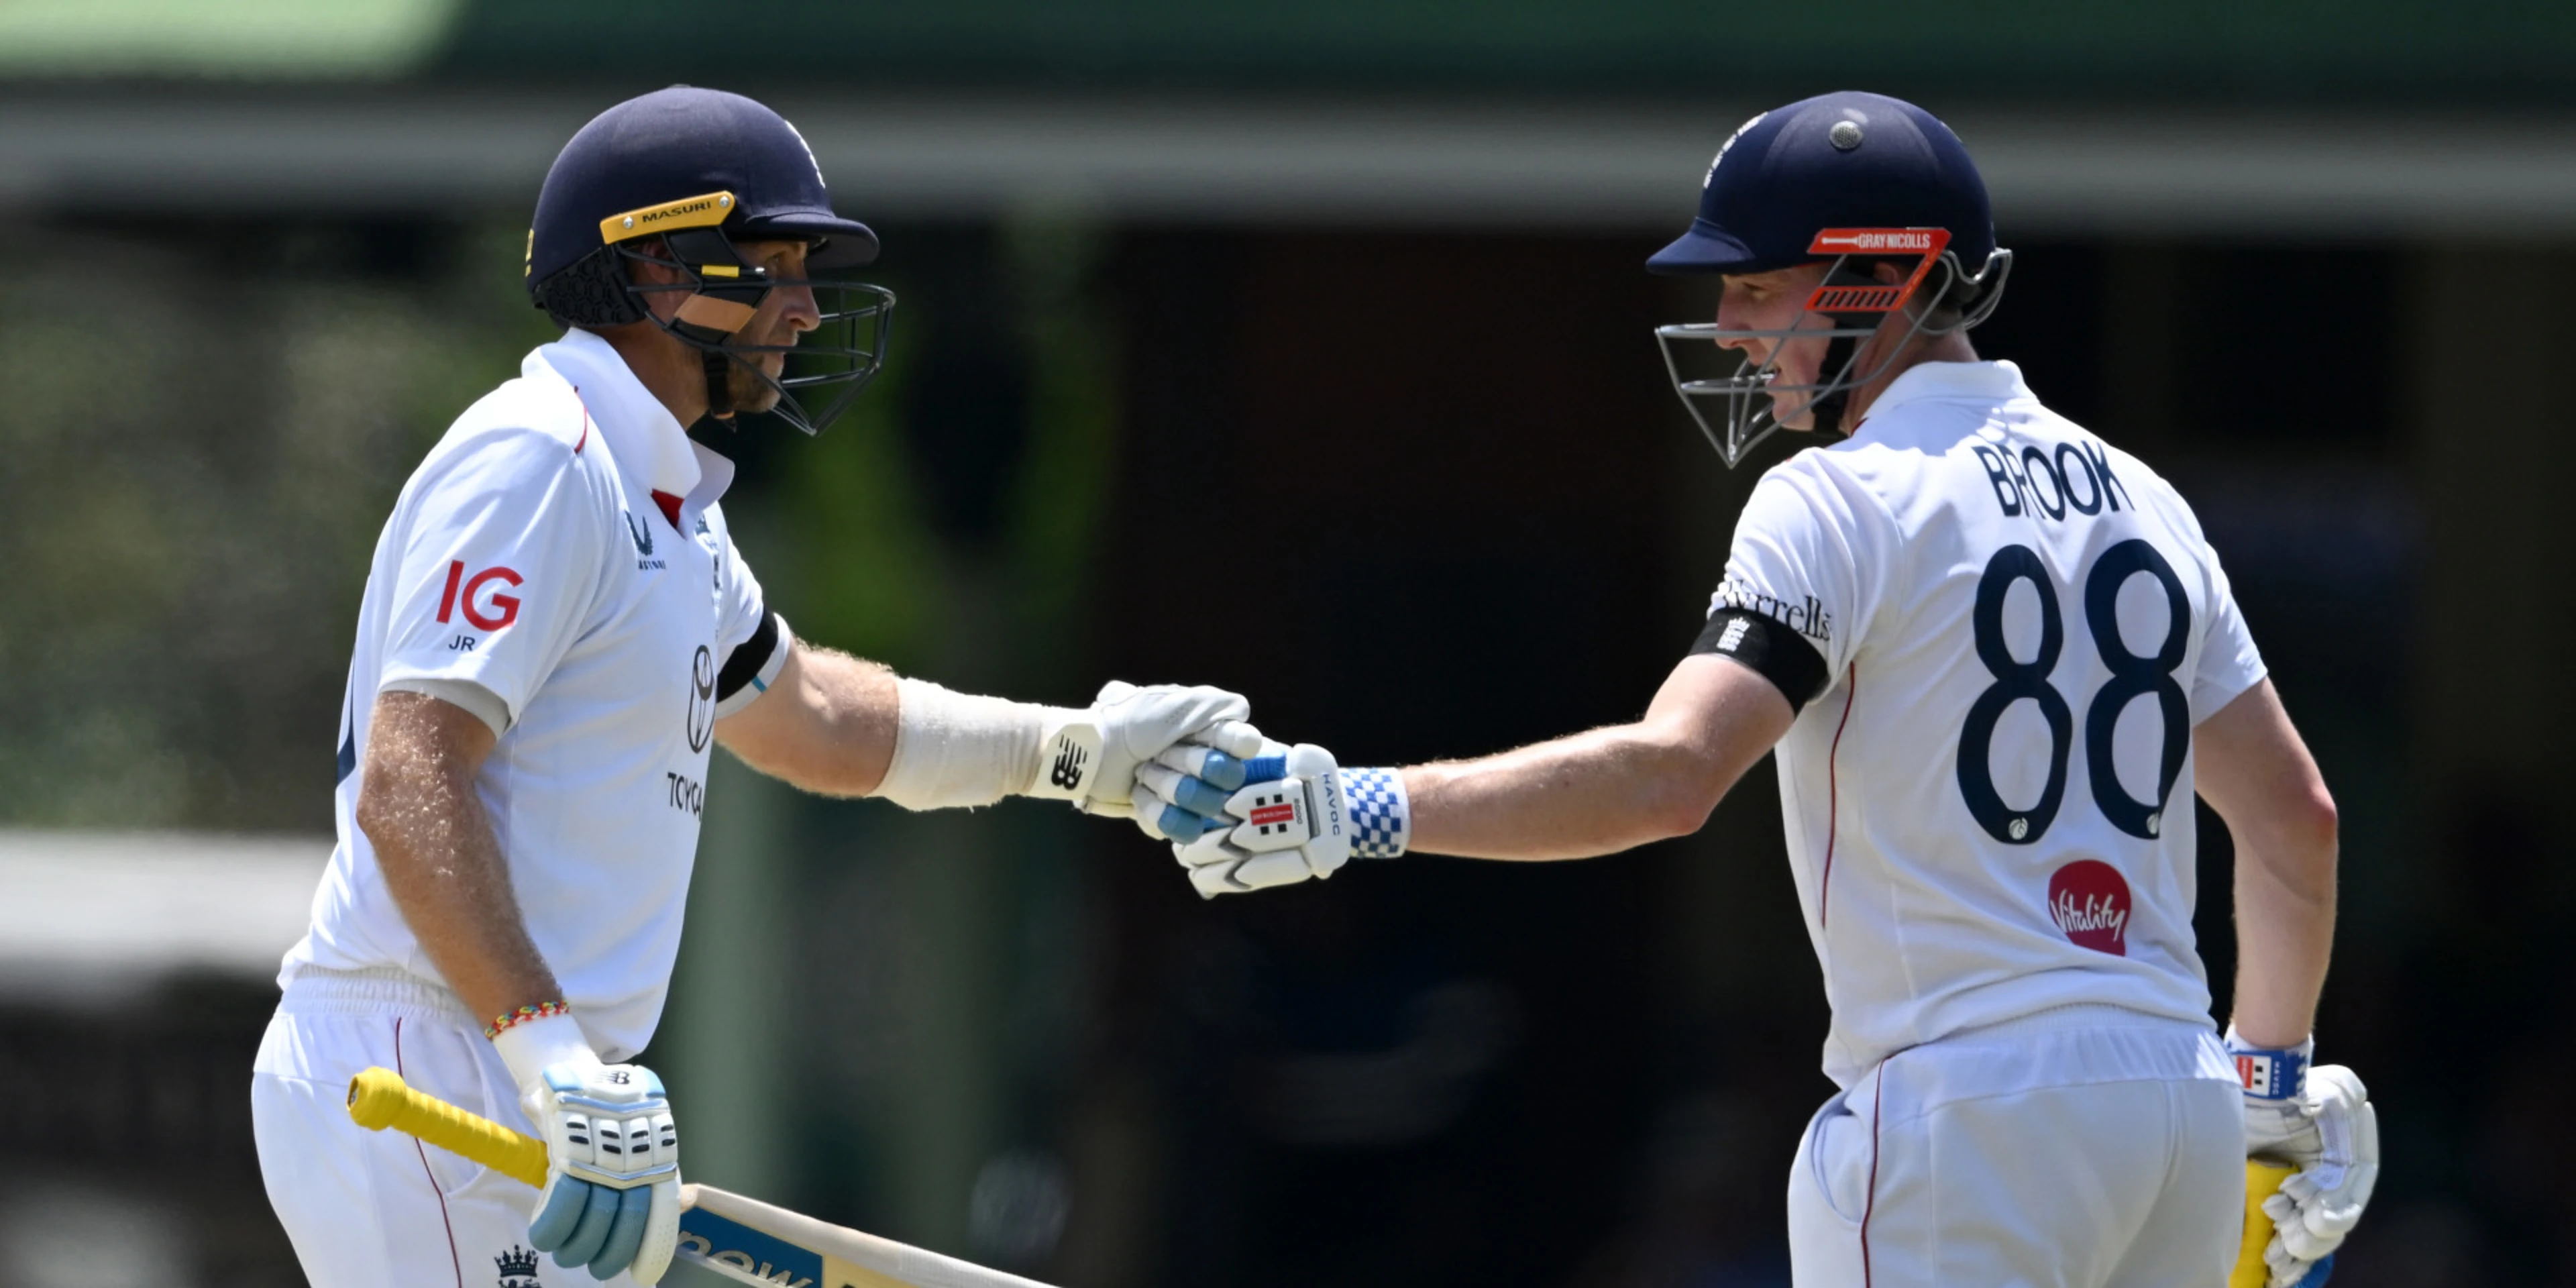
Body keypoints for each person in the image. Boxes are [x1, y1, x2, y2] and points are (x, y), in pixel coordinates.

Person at [1141, 91, 2378, 1287]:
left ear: (1883, 282)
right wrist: (2267, 1105)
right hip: (2181, 1116)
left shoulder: (1834, 497)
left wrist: (1352, 809)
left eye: (1756, 288)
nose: (1730, 327)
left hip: (1968, 1119)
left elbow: (1675, 774)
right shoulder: (2146, 502)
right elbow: (2294, 826)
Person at [250, 86, 1256, 1287]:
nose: (804, 305)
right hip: (430, 1064)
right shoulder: (541, 458)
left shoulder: (666, 502)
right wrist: (554, 1060)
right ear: (655, 271)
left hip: (526, 1079)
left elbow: (813, 721)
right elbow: (410, 772)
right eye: (770, 265)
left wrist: (1080, 751)